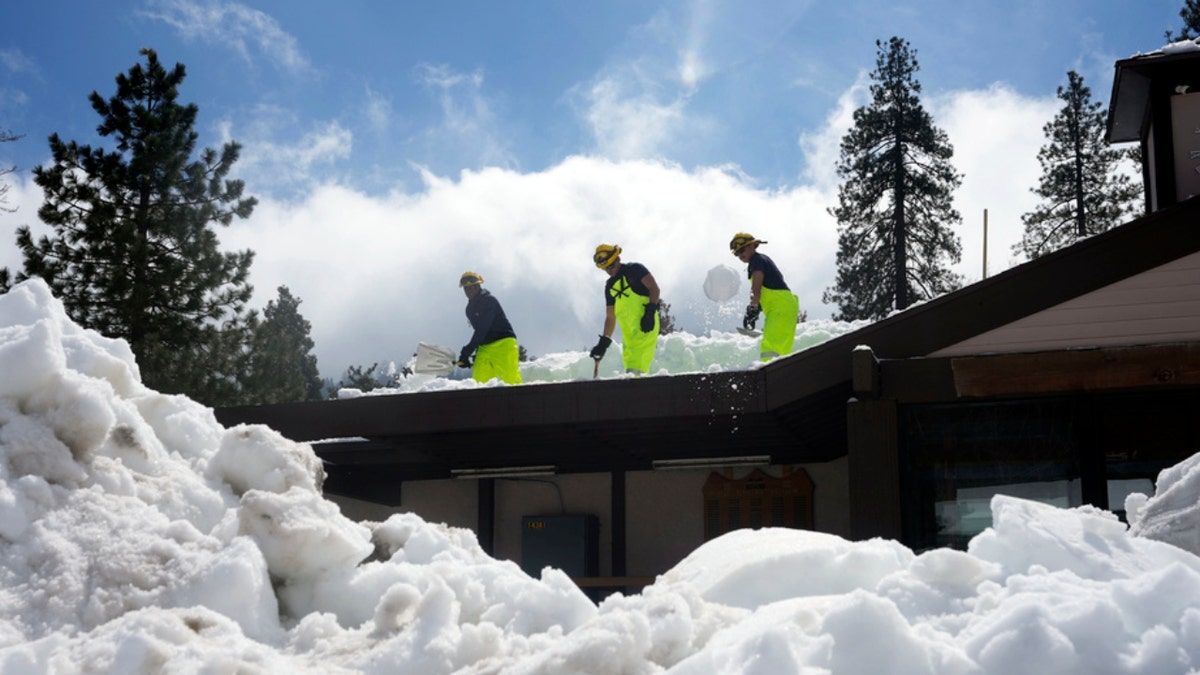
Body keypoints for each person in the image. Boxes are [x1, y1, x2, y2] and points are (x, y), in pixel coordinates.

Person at [588, 244, 661, 375]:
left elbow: (654, 288)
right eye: (605, 268)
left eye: (611, 266)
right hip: (628, 336)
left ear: (618, 259)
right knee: (632, 371)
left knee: (636, 369)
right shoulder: (609, 286)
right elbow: (610, 317)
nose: (609, 270)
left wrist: (650, 312)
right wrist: (603, 343)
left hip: (645, 326)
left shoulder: (635, 270)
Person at [730, 233, 800, 361]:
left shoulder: (757, 261)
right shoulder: (762, 261)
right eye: (737, 253)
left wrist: (752, 308)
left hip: (780, 307)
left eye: (742, 250)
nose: (740, 255)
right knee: (782, 351)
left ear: (752, 246)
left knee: (770, 349)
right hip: (786, 306)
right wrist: (757, 310)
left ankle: (769, 377)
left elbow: (756, 290)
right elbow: (769, 289)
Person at [456, 271, 522, 384]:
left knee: (511, 380)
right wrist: (471, 354)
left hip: (504, 343)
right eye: (466, 288)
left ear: (479, 286)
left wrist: (468, 350)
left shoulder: (489, 301)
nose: (469, 291)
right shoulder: (469, 309)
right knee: (479, 382)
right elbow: (481, 333)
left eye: (472, 287)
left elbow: (483, 328)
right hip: (485, 347)